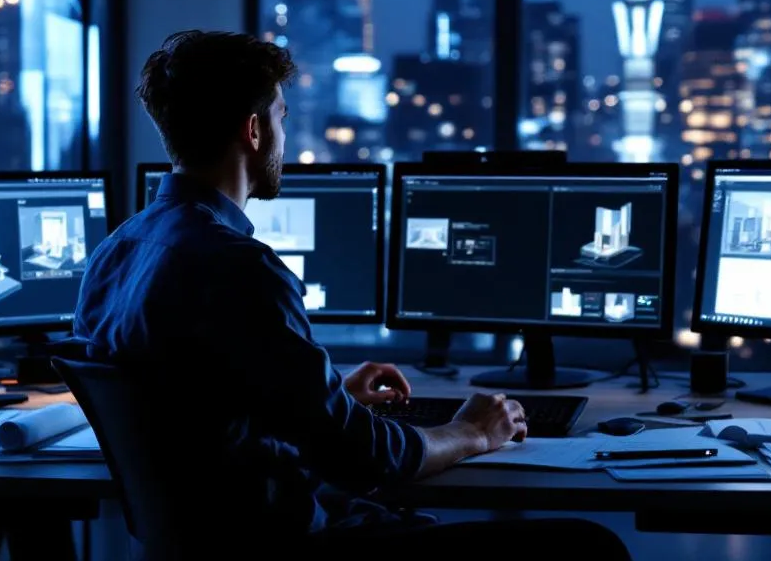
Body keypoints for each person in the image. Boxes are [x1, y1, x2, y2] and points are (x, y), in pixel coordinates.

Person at [74, 30, 631, 558]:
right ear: (253, 131)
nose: (284, 138)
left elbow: (192, 408)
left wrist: (326, 395)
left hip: (201, 544)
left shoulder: (116, 254)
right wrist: (471, 431)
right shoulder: (240, 268)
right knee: (589, 547)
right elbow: (368, 460)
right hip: (293, 548)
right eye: (281, 118)